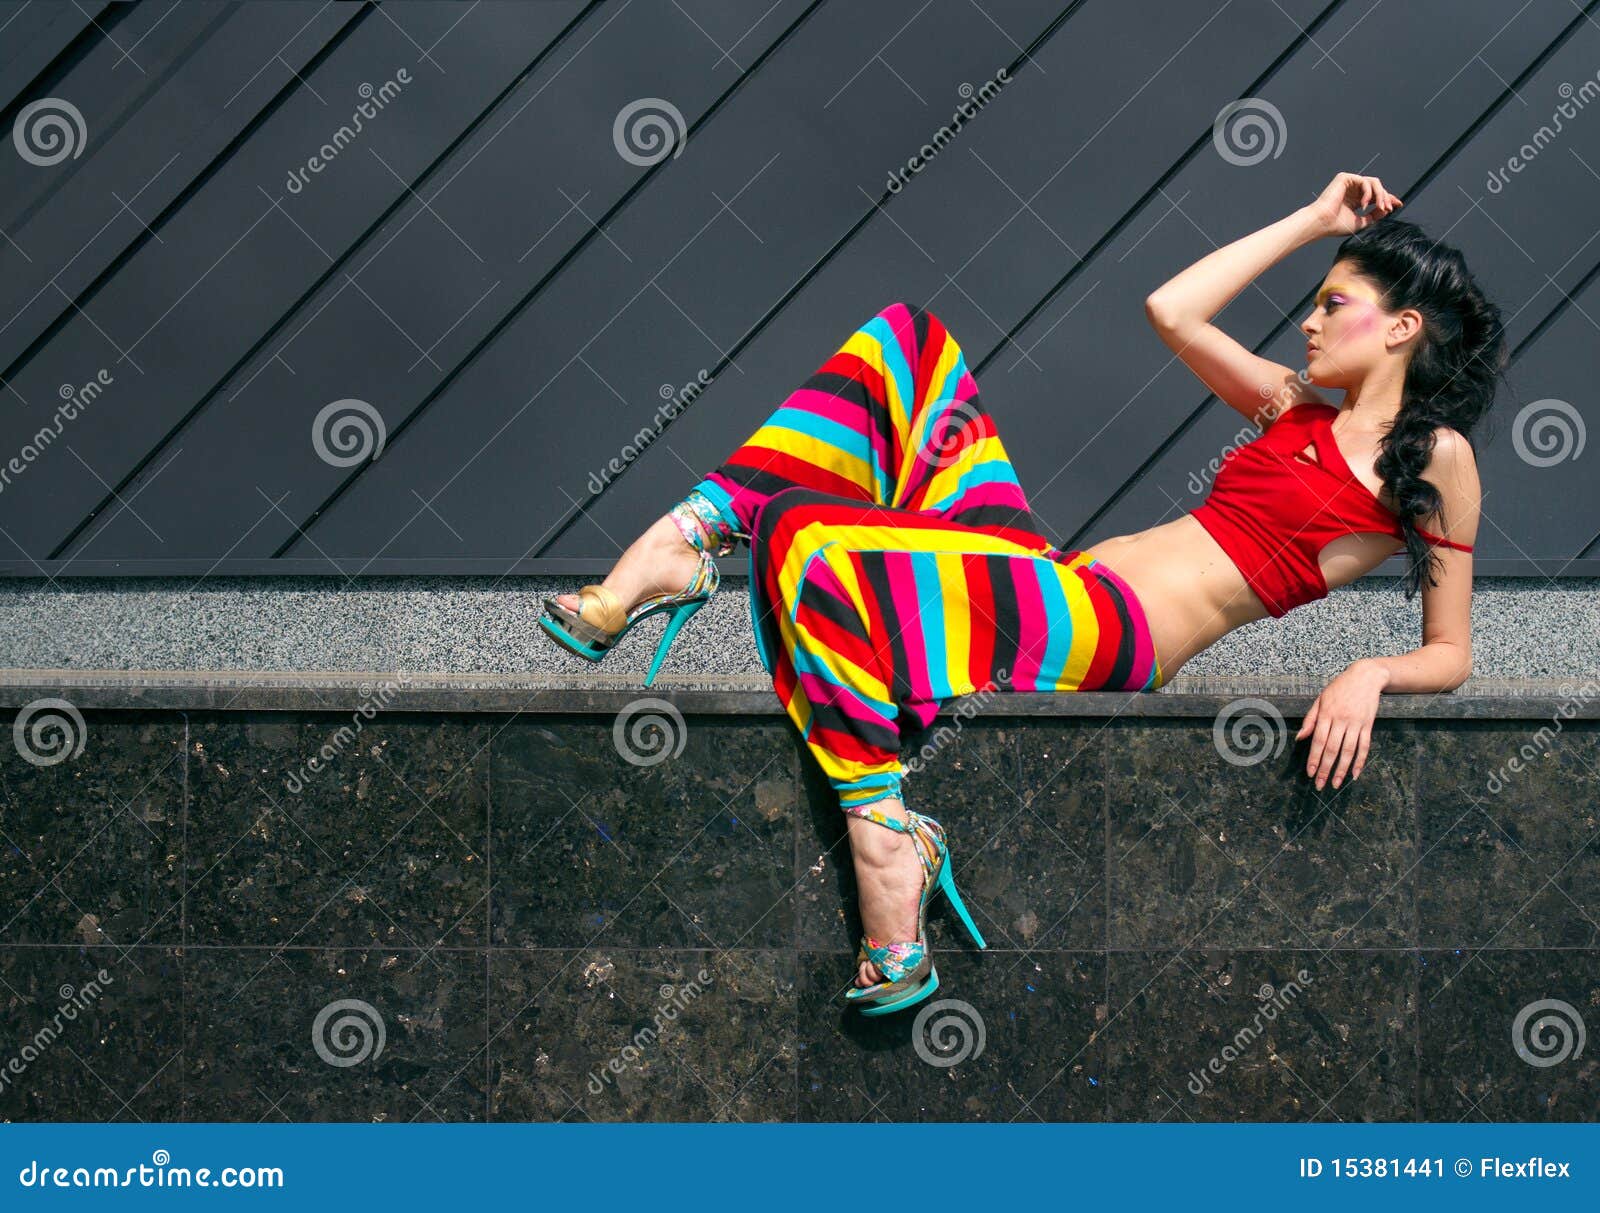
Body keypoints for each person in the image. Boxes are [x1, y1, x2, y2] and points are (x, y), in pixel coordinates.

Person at [539, 171, 1510, 1017]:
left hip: (1115, 636)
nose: (1305, 318)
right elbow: (1171, 310)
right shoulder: (1288, 407)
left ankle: (886, 846)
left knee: (803, 531)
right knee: (906, 344)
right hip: (1053, 582)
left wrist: (1368, 673)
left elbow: (1451, 651)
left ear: (1402, 326)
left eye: (1331, 301)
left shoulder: (1432, 459)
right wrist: (1309, 218)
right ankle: (688, 538)